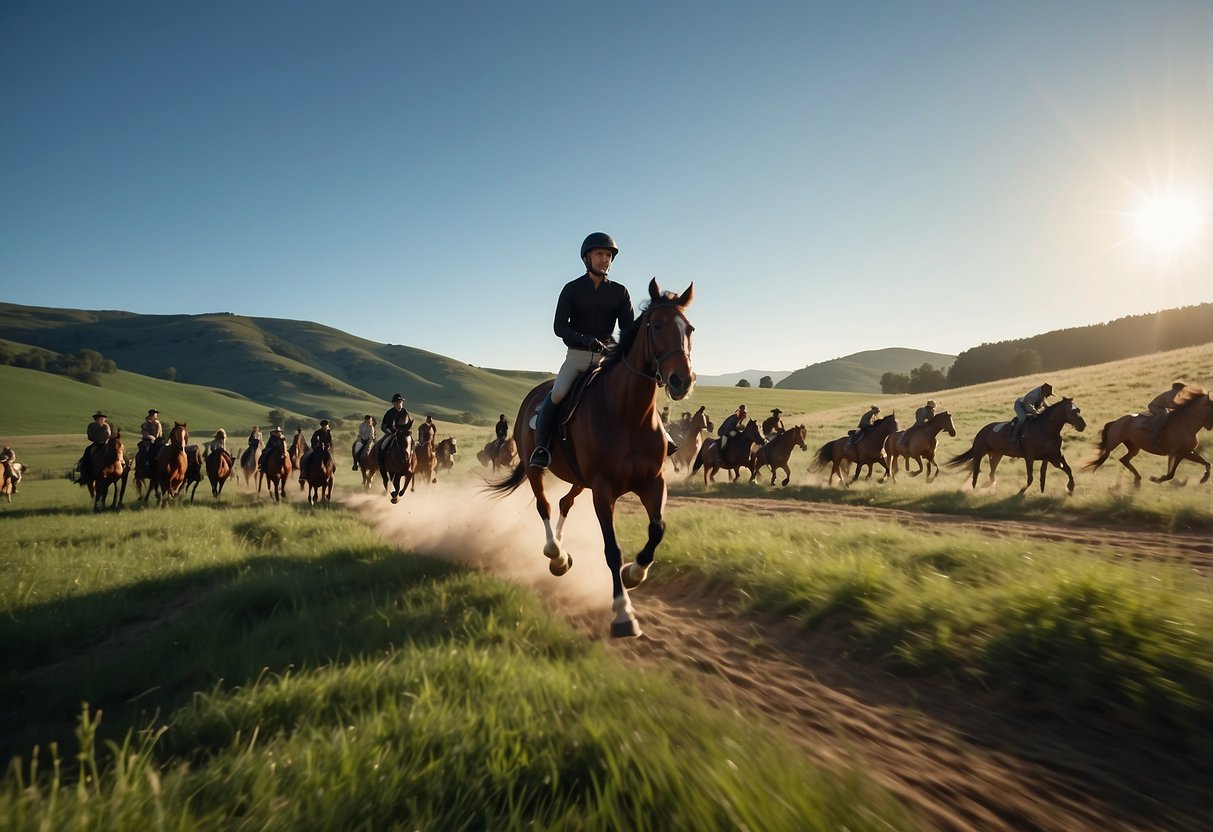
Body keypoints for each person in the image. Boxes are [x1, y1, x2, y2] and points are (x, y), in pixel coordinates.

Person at [529, 232, 677, 468]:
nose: (605, 259)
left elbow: (627, 331)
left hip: (607, 358)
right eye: (599, 254)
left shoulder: (620, 292)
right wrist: (584, 339)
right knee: (557, 394)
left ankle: (661, 436)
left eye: (608, 255)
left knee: (635, 388)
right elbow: (559, 327)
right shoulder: (571, 289)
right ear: (587, 258)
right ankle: (541, 447)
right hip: (577, 356)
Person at [75, 411, 111, 484]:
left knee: (116, 451)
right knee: (88, 451)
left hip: (105, 444)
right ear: (96, 419)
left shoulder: (106, 426)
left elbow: (108, 434)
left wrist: (106, 440)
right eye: (100, 418)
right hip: (96, 444)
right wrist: (97, 439)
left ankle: (123, 464)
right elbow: (90, 436)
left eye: (103, 418)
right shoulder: (91, 426)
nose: (102, 419)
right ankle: (83, 469)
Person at [379, 393, 414, 465]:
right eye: (397, 402)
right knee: (382, 446)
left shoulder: (405, 412)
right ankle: (381, 462)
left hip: (402, 434)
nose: (399, 404)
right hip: (391, 433)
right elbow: (383, 426)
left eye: (401, 402)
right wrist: (389, 432)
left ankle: (412, 460)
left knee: (413, 443)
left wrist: (406, 430)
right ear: (393, 404)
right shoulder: (389, 413)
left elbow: (408, 423)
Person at [138, 409, 163, 475]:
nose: (156, 415)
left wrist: (156, 437)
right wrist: (150, 437)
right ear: (151, 415)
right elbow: (144, 432)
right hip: (148, 441)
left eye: (156, 413)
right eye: (155, 413)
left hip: (158, 441)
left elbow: (159, 433)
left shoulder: (158, 423)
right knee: (147, 449)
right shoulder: (146, 424)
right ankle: (146, 463)